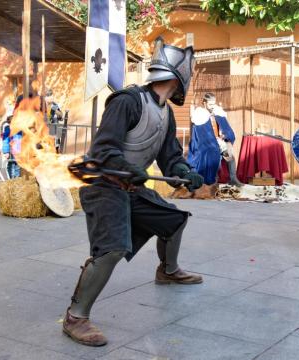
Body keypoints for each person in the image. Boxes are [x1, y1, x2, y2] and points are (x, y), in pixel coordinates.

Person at [62, 37, 205, 347]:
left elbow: (169, 155)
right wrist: (126, 167)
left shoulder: (165, 112)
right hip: (105, 186)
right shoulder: (128, 101)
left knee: (174, 220)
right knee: (112, 248)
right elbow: (103, 149)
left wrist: (182, 172)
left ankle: (168, 270)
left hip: (131, 188)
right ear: (179, 75)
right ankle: (76, 316)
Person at [188, 93, 241, 186]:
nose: (212, 107)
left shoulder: (217, 112)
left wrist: (225, 134)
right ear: (204, 103)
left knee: (230, 155)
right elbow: (200, 134)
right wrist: (212, 141)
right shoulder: (199, 114)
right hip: (206, 144)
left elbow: (224, 127)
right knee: (214, 153)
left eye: (213, 104)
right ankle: (213, 180)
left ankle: (233, 178)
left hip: (219, 141)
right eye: (210, 104)